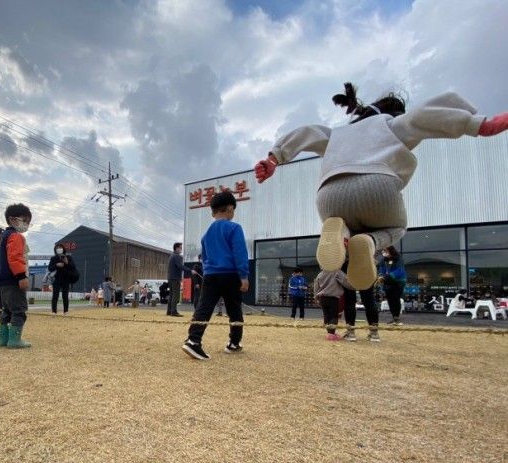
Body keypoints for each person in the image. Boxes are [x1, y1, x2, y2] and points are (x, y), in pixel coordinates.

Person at [255, 83, 508, 290]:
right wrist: (480, 125)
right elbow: (423, 117)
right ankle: (370, 241)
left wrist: (274, 158)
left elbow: (307, 132)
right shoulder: (392, 124)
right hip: (377, 186)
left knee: (346, 223)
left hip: (329, 196)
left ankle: (343, 233)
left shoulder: (338, 135)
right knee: (397, 227)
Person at [182, 191, 249, 360]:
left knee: (204, 307)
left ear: (213, 212)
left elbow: (204, 258)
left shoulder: (206, 235)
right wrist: (244, 276)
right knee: (234, 309)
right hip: (231, 274)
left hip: (211, 275)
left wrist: (209, 271)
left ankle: (193, 340)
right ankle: (234, 343)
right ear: (230, 209)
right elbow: (240, 252)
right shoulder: (234, 228)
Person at [0, 203, 32, 349]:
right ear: (13, 220)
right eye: (25, 221)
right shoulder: (16, 236)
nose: (27, 225)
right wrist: (21, 275)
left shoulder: (1, 238)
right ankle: (15, 340)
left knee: (6, 310)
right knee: (19, 310)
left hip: (2, 281)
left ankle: (2, 339)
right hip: (14, 279)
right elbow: (15, 257)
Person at [314, 268, 354, 340]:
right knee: (334, 316)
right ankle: (331, 334)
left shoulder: (320, 274)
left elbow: (316, 286)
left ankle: (329, 332)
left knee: (326, 315)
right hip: (333, 298)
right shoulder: (337, 272)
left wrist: (316, 297)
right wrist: (355, 286)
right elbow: (346, 282)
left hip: (322, 298)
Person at [377, 246, 406, 325]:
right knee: (390, 300)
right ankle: (394, 318)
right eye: (383, 251)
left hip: (398, 282)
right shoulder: (384, 260)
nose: (383, 252)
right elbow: (381, 269)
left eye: (385, 250)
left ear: (391, 250)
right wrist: (380, 276)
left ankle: (397, 318)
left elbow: (400, 270)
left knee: (395, 299)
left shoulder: (398, 258)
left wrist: (388, 276)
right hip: (387, 282)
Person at [48, 243, 76, 315]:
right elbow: (50, 268)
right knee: (55, 295)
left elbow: (73, 267)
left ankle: (66, 311)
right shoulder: (53, 258)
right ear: (55, 250)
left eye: (60, 247)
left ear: (63, 249)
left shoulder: (68, 257)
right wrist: (56, 265)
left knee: (65, 296)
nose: (59, 249)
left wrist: (67, 263)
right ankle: (54, 311)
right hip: (57, 278)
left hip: (66, 279)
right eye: (57, 248)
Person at [167, 242, 189, 316]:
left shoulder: (171, 256)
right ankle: (174, 311)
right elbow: (180, 266)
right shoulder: (177, 256)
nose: (181, 249)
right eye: (180, 248)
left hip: (170, 278)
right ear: (177, 248)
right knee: (176, 295)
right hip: (175, 278)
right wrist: (190, 270)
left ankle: (169, 311)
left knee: (171, 295)